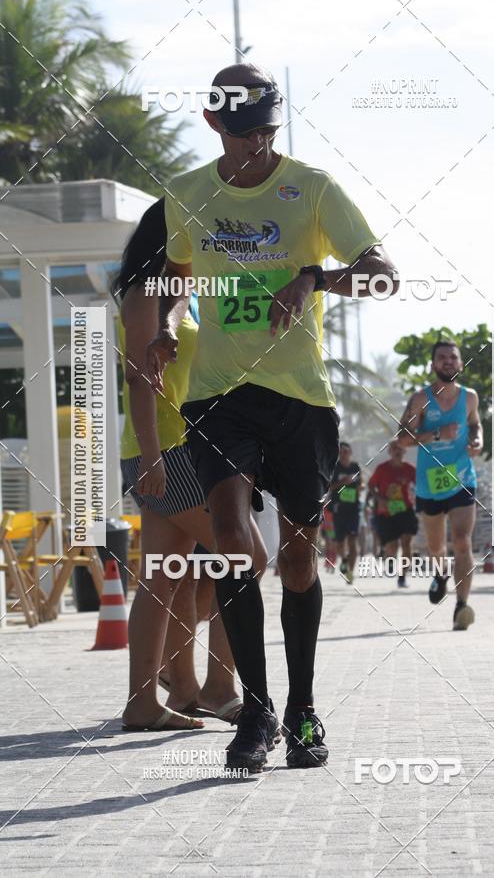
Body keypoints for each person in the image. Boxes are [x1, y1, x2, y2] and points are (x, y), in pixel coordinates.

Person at [147, 61, 397, 771]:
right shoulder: (186, 194)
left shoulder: (312, 188)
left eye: (267, 130)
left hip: (299, 399)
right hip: (218, 396)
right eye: (244, 131)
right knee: (230, 538)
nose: (257, 143)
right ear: (213, 123)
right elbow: (177, 276)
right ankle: (254, 712)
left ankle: (302, 708)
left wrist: (313, 276)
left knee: (296, 558)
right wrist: (167, 323)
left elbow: (384, 274)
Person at [114, 198, 268, 731]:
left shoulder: (182, 295)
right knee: (246, 557)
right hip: (167, 449)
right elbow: (139, 379)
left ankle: (156, 699)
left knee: (165, 577)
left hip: (184, 446)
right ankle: (219, 686)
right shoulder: (144, 294)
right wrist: (152, 457)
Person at [397, 340, 483, 629]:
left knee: (462, 540)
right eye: (442, 357)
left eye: (453, 357)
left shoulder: (470, 397)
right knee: (436, 548)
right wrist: (437, 434)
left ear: (460, 363)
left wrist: (477, 440)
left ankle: (461, 606)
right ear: (433, 364)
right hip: (430, 485)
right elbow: (402, 439)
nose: (448, 361)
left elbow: (475, 423)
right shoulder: (420, 400)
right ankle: (441, 574)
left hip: (462, 478)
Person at [368, 440, 418, 588]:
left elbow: (420, 484)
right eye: (394, 449)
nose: (397, 451)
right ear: (389, 452)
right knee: (393, 546)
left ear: (404, 451)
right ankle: (390, 557)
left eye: (400, 448)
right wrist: (379, 499)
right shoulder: (382, 469)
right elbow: (371, 485)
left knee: (407, 543)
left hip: (405, 510)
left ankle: (402, 577)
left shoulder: (410, 469)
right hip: (386, 512)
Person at [330, 442, 362, 584]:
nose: (343, 454)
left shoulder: (355, 467)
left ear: (351, 453)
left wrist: (361, 486)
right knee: (340, 543)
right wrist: (342, 482)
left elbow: (361, 482)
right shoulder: (334, 467)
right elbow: (329, 486)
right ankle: (343, 558)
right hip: (339, 509)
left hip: (353, 509)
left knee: (353, 542)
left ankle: (350, 573)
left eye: (346, 452)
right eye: (341, 452)